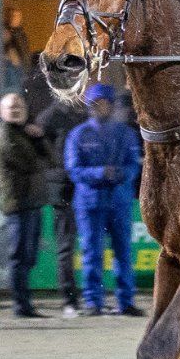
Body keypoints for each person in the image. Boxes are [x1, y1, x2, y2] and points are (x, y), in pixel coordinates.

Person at [65, 84, 144, 317]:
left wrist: (119, 174)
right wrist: (101, 173)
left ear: (111, 105)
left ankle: (126, 301)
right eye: (95, 103)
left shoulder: (126, 134)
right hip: (90, 203)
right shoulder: (78, 134)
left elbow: (134, 165)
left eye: (104, 103)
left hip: (119, 202)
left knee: (123, 252)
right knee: (92, 253)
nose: (100, 107)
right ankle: (93, 302)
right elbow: (73, 169)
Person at [0, 93, 55, 318]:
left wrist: (39, 139)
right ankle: (21, 305)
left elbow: (51, 160)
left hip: (32, 201)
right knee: (19, 256)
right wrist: (37, 141)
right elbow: (32, 163)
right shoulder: (4, 136)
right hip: (18, 203)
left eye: (19, 106)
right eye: (11, 107)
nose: (16, 110)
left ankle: (25, 303)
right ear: (2, 112)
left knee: (28, 256)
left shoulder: (24, 133)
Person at [35, 91, 88, 317]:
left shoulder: (85, 115)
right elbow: (40, 153)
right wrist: (55, 172)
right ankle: (70, 299)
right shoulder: (49, 118)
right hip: (63, 188)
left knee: (90, 244)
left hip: (86, 186)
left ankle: (92, 297)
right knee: (66, 246)